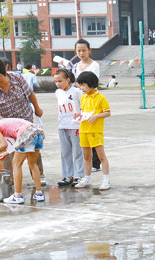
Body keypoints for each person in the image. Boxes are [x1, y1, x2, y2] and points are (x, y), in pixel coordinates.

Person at [0, 58, 46, 184]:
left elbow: (30, 94)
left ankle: (39, 177)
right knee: (7, 152)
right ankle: (9, 180)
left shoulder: (18, 78)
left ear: (5, 71)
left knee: (32, 150)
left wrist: (37, 108)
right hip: (6, 126)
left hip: (25, 121)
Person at [0, 112, 45, 203]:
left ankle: (17, 196)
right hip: (36, 132)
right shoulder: (4, 122)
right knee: (32, 164)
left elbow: (3, 145)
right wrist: (6, 153)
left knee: (16, 164)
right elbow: (16, 144)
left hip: (25, 134)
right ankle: (39, 194)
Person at [58, 39, 102, 172]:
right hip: (78, 100)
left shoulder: (94, 65)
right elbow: (71, 81)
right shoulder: (76, 65)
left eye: (84, 50)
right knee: (82, 130)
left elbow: (91, 82)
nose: (81, 53)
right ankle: (87, 159)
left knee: (92, 129)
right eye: (79, 51)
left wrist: (79, 84)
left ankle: (95, 162)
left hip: (91, 100)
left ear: (89, 50)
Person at [73, 71, 112, 190]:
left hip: (95, 130)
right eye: (80, 85)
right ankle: (87, 178)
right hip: (83, 129)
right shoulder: (83, 97)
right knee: (86, 156)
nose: (81, 88)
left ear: (91, 84)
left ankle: (106, 180)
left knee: (101, 156)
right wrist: (79, 114)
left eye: (83, 85)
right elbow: (84, 111)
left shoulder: (100, 97)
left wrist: (96, 116)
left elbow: (108, 112)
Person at [54, 68, 84, 187]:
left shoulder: (77, 91)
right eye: (56, 81)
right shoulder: (58, 92)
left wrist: (80, 114)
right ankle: (68, 175)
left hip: (75, 125)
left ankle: (79, 175)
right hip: (62, 125)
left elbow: (84, 106)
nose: (58, 84)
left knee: (77, 151)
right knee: (65, 152)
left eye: (60, 81)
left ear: (68, 79)